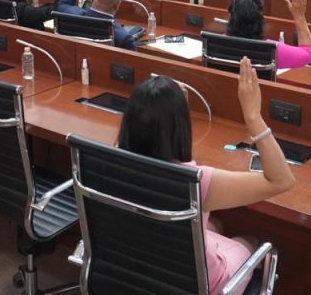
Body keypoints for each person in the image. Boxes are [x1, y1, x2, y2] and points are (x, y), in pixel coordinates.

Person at [116, 61, 295, 293]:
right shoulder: (197, 182)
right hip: (203, 286)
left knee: (214, 224)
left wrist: (162, 103)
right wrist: (253, 117)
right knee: (249, 241)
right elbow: (282, 180)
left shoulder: (110, 159)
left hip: (133, 269)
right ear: (181, 126)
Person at [226, 0, 311, 70]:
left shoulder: (218, 44)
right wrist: (299, 17)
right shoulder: (273, 50)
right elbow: (309, 54)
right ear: (260, 19)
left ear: (230, 17)